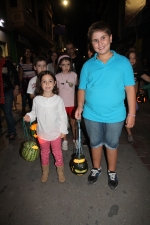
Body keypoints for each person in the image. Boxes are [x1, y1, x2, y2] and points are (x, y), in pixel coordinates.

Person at [75, 21, 136, 189]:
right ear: (91, 43)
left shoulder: (123, 62)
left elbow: (130, 89)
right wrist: (80, 105)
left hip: (115, 115)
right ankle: (96, 168)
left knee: (111, 143)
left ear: (110, 38)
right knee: (94, 142)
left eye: (103, 38)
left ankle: (112, 171)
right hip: (91, 114)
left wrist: (132, 114)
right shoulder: (87, 65)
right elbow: (82, 88)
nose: (100, 43)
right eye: (95, 40)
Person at [24, 71, 68, 183]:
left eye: (50, 81)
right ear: (40, 84)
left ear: (54, 84)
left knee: (57, 152)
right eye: (44, 81)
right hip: (42, 134)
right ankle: (45, 171)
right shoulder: (37, 100)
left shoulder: (58, 100)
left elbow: (63, 116)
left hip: (55, 133)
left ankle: (60, 171)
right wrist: (29, 116)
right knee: (44, 153)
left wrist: (63, 130)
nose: (47, 84)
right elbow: (34, 113)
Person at [125, 50, 150, 143]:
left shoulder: (137, 70)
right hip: (121, 97)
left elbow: (147, 78)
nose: (131, 60)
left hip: (131, 99)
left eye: (134, 58)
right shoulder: (122, 68)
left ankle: (129, 134)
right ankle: (129, 134)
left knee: (129, 115)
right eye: (130, 58)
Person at [56, 54, 78, 151]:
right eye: (63, 64)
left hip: (72, 103)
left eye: (68, 64)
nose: (66, 67)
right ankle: (64, 140)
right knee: (63, 123)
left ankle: (75, 139)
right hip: (61, 104)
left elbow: (77, 89)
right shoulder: (56, 76)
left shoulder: (74, 75)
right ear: (60, 65)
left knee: (73, 123)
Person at [0, 47, 20, 140]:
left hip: (7, 91)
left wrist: (16, 87)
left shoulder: (7, 63)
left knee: (7, 112)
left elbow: (16, 75)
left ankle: (12, 131)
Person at [18, 48, 36, 115]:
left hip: (33, 82)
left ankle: (32, 109)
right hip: (25, 81)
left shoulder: (34, 62)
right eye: (26, 52)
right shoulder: (21, 63)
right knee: (25, 96)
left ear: (31, 53)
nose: (28, 53)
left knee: (32, 96)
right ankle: (23, 108)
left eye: (29, 52)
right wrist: (20, 84)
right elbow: (21, 74)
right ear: (24, 53)